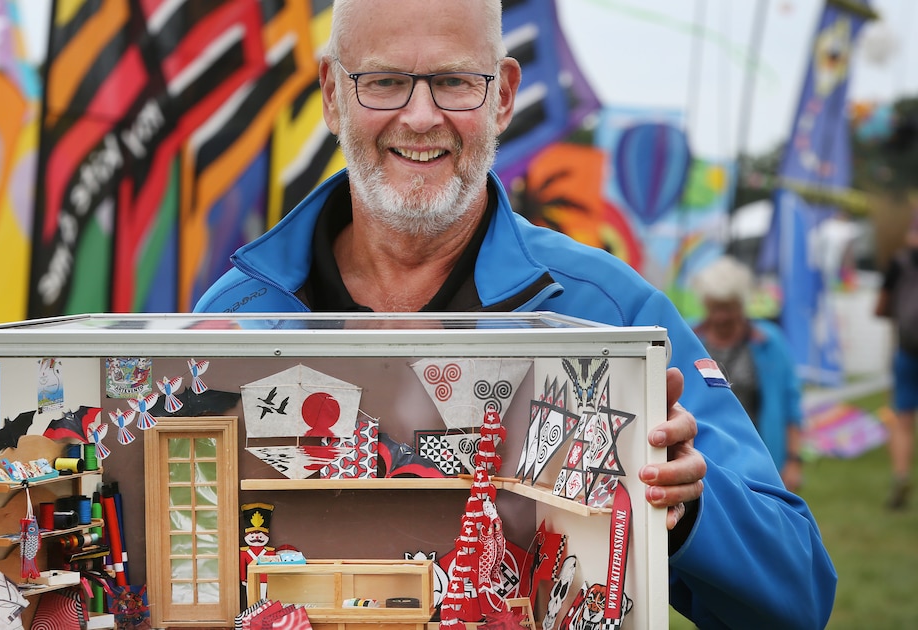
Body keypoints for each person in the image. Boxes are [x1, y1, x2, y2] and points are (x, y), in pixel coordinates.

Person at [194, 1, 837, 626]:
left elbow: (800, 591)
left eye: (453, 82)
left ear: (502, 95)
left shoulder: (610, 314)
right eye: (384, 82)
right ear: (333, 94)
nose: (421, 117)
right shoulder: (235, 317)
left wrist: (690, 507)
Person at [691, 256, 804, 491]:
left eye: (728, 307)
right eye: (715, 307)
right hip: (702, 462)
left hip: (761, 459)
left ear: (741, 304)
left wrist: (793, 461)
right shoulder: (688, 339)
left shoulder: (770, 341)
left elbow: (791, 403)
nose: (721, 316)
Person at [874, 216, 918, 509]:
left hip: (908, 350)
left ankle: (901, 477)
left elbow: (880, 308)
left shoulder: (900, 262)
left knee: (902, 420)